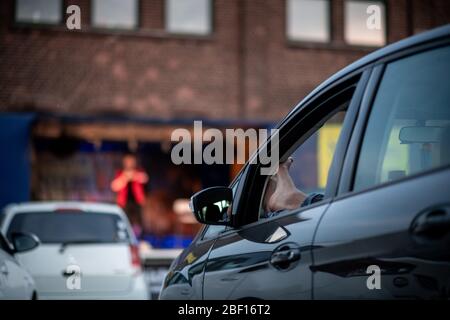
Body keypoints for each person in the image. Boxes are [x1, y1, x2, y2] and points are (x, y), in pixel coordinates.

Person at [111, 153, 149, 237]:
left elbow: (145, 178)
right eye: (127, 161)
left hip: (137, 202)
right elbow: (114, 186)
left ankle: (140, 237)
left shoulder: (139, 171)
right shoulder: (120, 173)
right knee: (125, 220)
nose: (130, 163)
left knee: (139, 222)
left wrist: (134, 176)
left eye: (131, 161)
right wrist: (125, 178)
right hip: (124, 202)